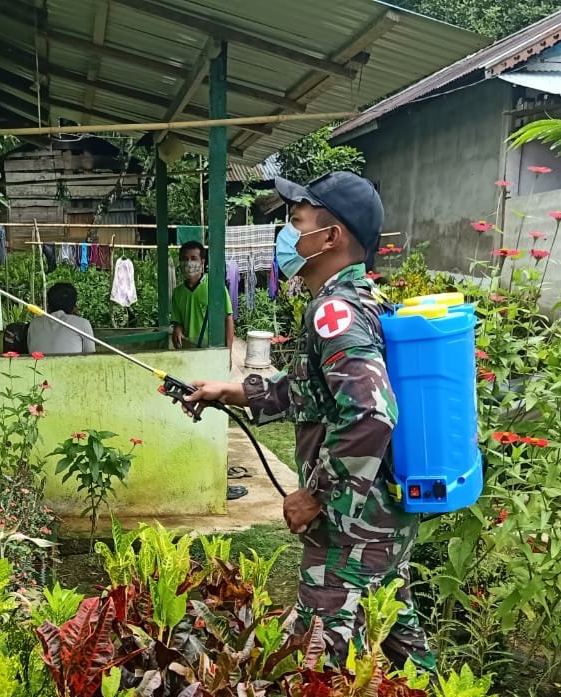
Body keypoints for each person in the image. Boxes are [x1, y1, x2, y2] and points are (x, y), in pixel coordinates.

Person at [183, 172, 432, 670]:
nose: (288, 236)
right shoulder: (363, 301)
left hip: (351, 523)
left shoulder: (335, 312)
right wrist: (228, 391)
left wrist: (315, 494)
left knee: (316, 663)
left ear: (331, 238)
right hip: (382, 515)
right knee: (398, 641)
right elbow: (309, 391)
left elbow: (371, 413)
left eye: (296, 223)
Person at [170, 241, 233, 350]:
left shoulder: (215, 287)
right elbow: (178, 322)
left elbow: (228, 318)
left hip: (213, 350)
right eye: (185, 259)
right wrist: (177, 330)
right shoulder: (177, 293)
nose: (189, 263)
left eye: (193, 258)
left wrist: (228, 352)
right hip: (188, 349)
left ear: (202, 262)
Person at [28, 282, 96, 355]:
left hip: (38, 366)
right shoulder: (83, 324)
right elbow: (91, 358)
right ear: (74, 306)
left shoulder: (34, 324)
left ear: (49, 304)